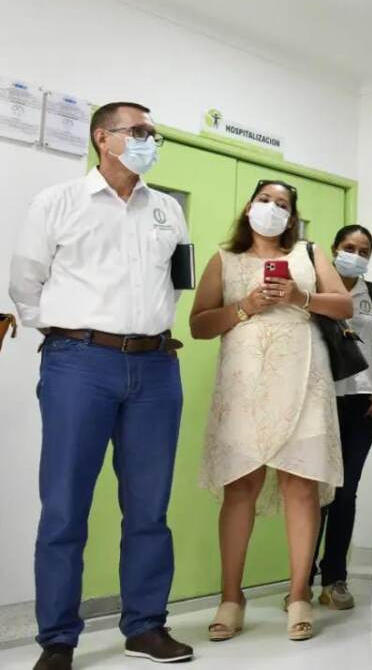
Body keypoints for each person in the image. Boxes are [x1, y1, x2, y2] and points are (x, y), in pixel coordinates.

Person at [8, 102, 194, 669]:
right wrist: (66, 334)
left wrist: (144, 328)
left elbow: (176, 282)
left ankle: (145, 626)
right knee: (65, 505)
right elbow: (25, 282)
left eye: (154, 133)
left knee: (149, 507)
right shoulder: (58, 202)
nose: (149, 140)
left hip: (156, 367)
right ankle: (58, 640)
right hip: (79, 364)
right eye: (138, 131)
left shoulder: (167, 210)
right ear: (102, 138)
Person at [191, 180, 352, 643]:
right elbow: (199, 324)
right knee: (240, 485)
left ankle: (299, 594)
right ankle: (230, 597)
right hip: (243, 384)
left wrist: (299, 298)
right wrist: (244, 307)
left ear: (292, 216)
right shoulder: (224, 259)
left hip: (303, 379)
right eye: (265, 200)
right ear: (248, 208)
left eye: (282, 204)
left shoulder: (308, 253)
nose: (272, 209)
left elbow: (343, 303)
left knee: (301, 486)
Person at [308, 224, 372, 610]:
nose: (355, 256)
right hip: (320, 399)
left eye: (364, 251)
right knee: (314, 492)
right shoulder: (313, 289)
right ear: (333, 249)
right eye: (349, 247)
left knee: (345, 491)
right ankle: (300, 580)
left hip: (363, 402)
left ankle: (335, 579)